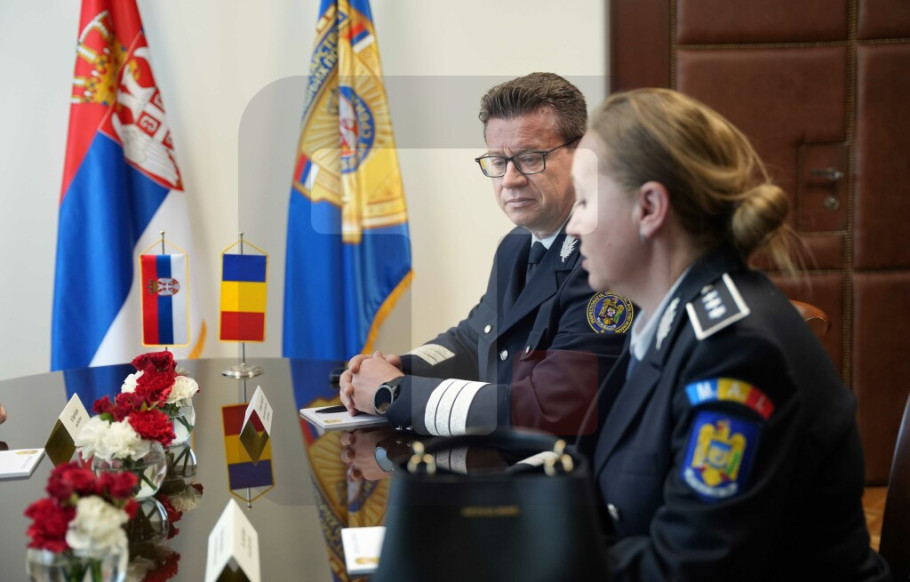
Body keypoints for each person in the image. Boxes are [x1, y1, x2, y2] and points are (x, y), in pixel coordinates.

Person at [568, 88, 890, 581]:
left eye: (586, 200)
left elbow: (690, 569)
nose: (574, 225)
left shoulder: (734, 351)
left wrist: (537, 563)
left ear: (649, 207)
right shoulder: (666, 322)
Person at [339, 72, 628, 437]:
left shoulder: (602, 257)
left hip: (568, 467)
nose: (509, 179)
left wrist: (395, 393)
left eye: (529, 158)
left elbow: (553, 408)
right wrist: (400, 366)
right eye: (497, 161)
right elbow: (474, 340)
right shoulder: (516, 245)